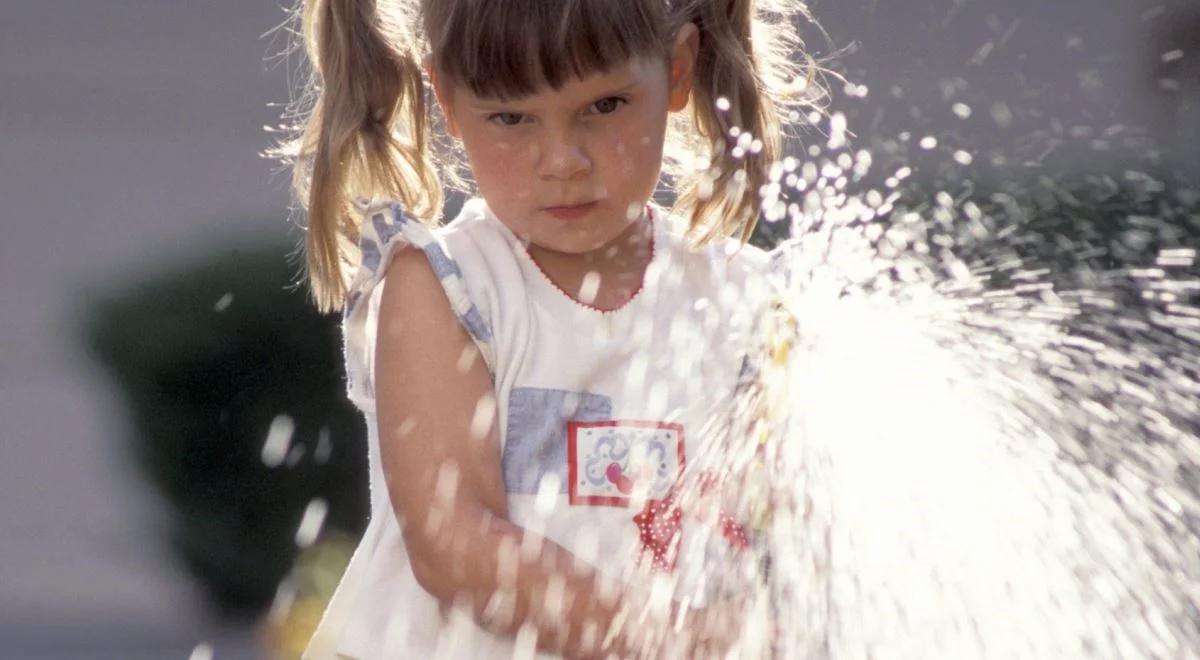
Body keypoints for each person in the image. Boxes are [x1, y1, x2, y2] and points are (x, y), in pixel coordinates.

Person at [271, 0, 817, 657]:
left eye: (606, 106)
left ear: (677, 71)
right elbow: (451, 542)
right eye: (511, 117)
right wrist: (665, 639)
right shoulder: (448, 286)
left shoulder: (741, 300)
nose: (561, 160)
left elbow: (792, 528)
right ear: (445, 97)